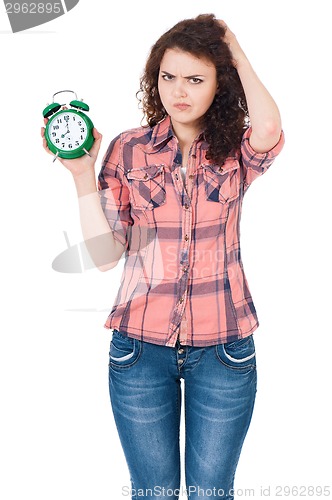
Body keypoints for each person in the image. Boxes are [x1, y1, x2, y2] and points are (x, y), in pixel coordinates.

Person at [41, 13, 284, 500]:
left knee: (211, 492)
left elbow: (270, 128)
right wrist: (81, 175)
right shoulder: (129, 150)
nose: (179, 91)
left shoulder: (235, 151)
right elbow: (106, 256)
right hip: (139, 351)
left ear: (221, 81)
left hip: (223, 351)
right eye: (168, 76)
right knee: (152, 493)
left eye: (196, 79)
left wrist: (230, 44)